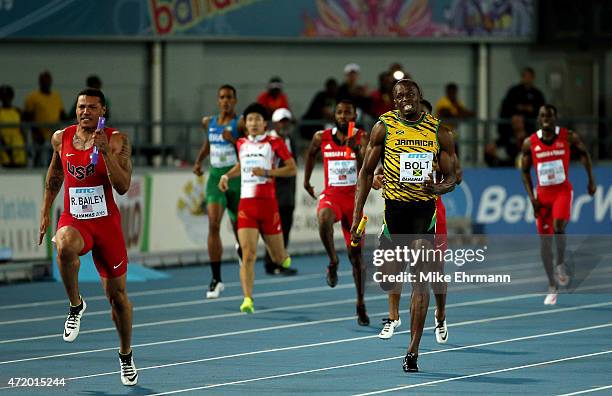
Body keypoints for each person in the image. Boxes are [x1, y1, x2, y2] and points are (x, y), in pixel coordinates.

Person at [351, 79, 456, 372]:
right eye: (399, 95)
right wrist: (356, 215)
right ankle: (398, 317)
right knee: (387, 279)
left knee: (419, 280)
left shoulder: (439, 131)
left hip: (423, 212)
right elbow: (365, 172)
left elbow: (452, 177)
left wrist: (438, 188)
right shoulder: (383, 127)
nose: (405, 98)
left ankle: (413, 351)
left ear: (419, 96)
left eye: (410, 93)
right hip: (394, 213)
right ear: (393, 100)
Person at [37, 88, 137, 385]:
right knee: (64, 245)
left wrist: (105, 153)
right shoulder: (61, 138)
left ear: (102, 111)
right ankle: (75, 305)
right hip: (75, 219)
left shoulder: (118, 140)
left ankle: (126, 355)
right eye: (81, 107)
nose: (85, 112)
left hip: (106, 224)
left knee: (118, 299)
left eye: (92, 108)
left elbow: (122, 187)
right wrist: (45, 211)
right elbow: (55, 175)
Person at [372, 98, 460, 345]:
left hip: (430, 211)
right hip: (399, 209)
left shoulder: (439, 138)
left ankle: (440, 315)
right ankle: (393, 316)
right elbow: (379, 172)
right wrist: (377, 179)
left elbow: (456, 174)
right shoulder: (397, 141)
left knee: (435, 271)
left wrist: (438, 179)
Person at [218, 103, 297, 313]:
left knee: (279, 258)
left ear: (264, 124)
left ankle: (283, 257)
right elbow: (242, 166)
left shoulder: (274, 142)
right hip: (247, 206)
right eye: (249, 119)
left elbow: (292, 169)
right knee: (248, 253)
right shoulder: (241, 143)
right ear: (246, 123)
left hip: (268, 206)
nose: (253, 123)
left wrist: (268, 173)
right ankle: (247, 299)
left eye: (257, 120)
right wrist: (227, 175)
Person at [520, 104, 596, 305]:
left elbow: (584, 154)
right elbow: (524, 171)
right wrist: (532, 198)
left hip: (562, 190)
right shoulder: (530, 143)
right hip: (542, 194)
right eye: (543, 115)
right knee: (545, 243)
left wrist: (591, 180)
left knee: (559, 226)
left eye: (550, 115)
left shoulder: (567, 136)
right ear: (538, 118)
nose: (546, 118)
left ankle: (560, 263)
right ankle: (552, 285)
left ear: (555, 118)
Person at [303, 99, 370, 326]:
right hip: (332, 196)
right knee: (323, 219)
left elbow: (367, 170)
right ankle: (332, 261)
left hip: (354, 201)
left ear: (354, 116)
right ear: (335, 116)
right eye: (339, 112)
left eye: (347, 113)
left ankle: (360, 303)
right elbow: (310, 154)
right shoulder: (321, 137)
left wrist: (356, 151)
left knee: (357, 258)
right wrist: (306, 181)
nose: (343, 116)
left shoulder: (362, 137)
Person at [193, 85, 243, 299]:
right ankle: (216, 279)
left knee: (238, 226)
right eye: (222, 97)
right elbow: (208, 144)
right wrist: (198, 161)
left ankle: (242, 246)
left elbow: (246, 146)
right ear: (217, 100)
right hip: (215, 178)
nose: (226, 101)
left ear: (235, 100)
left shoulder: (240, 122)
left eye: (229, 97)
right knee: (213, 224)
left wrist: (233, 139)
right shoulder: (208, 122)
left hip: (236, 178)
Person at [264, 108, 298, 276]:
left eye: (286, 121)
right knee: (273, 230)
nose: (284, 125)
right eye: (281, 121)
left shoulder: (290, 140)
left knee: (285, 228)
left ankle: (280, 262)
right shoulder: (267, 141)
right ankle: (273, 262)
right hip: (271, 193)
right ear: (274, 123)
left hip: (288, 194)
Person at [23, 71, 68, 166]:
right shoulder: (33, 97)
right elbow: (28, 118)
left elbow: (62, 115)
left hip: (54, 135)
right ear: (40, 82)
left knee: (54, 159)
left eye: (47, 81)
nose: (46, 83)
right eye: (44, 81)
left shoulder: (56, 96)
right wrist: (37, 133)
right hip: (39, 136)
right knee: (40, 159)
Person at [499, 67, 545, 146]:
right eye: (525, 76)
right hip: (512, 131)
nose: (527, 79)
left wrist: (530, 109)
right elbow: (507, 106)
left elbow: (542, 109)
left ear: (533, 78)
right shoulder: (514, 91)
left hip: (530, 125)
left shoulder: (537, 94)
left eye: (529, 76)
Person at [0, 85, 26, 167]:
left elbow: (22, 130)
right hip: (5, 149)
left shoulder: (17, 111)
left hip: (18, 148)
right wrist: (6, 149)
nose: (6, 98)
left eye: (8, 96)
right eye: (4, 96)